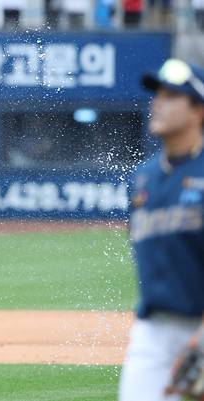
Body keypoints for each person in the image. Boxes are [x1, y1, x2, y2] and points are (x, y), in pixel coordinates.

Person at [118, 59, 204, 401]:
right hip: (154, 329)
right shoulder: (143, 178)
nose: (158, 102)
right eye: (157, 94)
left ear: (198, 110)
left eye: (172, 95)